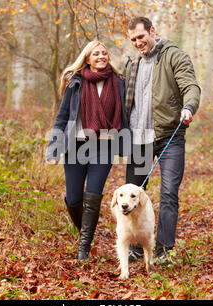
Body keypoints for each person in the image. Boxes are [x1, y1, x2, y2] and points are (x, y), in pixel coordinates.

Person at [124, 17, 201, 264]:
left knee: (168, 193)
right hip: (139, 139)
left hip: (170, 136)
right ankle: (136, 248)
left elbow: (191, 86)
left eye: (141, 36)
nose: (138, 42)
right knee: (132, 195)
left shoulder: (174, 57)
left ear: (152, 31)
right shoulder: (131, 64)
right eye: (133, 39)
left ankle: (164, 251)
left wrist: (189, 107)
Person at [46, 40, 127, 261]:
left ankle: (83, 250)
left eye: (104, 53)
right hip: (76, 146)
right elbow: (62, 117)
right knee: (73, 198)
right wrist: (54, 149)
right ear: (87, 58)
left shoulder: (119, 82)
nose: (101, 56)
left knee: (92, 196)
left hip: (104, 146)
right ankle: (86, 232)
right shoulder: (76, 83)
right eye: (96, 54)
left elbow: (126, 114)